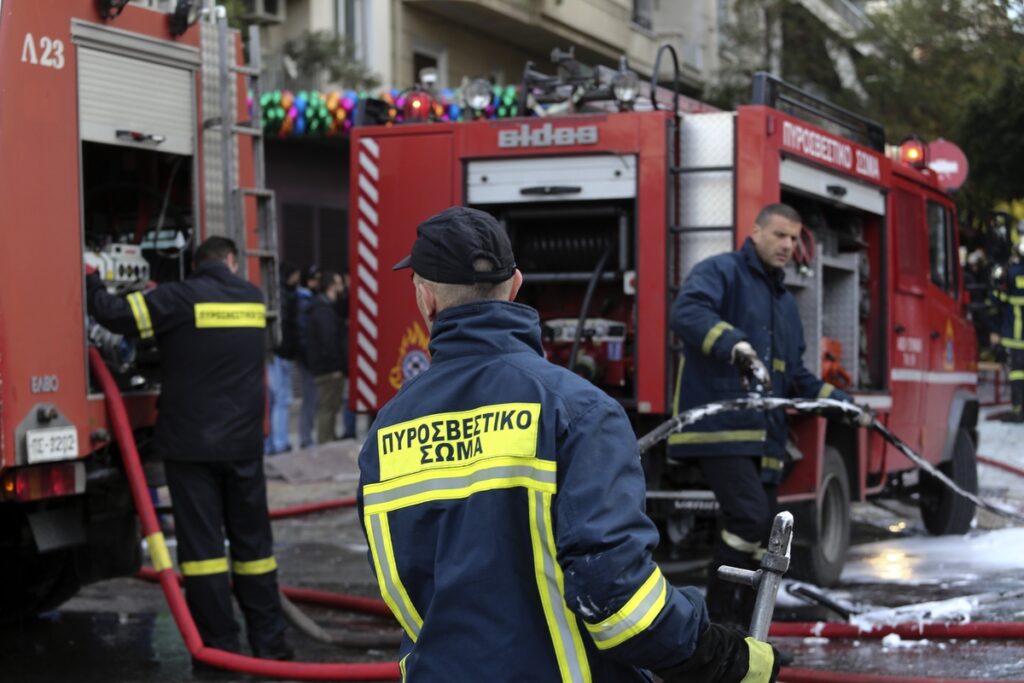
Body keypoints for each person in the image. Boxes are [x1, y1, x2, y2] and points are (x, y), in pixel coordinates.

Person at [357, 206, 779, 682]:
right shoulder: (577, 409)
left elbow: (406, 589)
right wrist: (727, 659)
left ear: (425, 298)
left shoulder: (386, 432)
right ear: (515, 285)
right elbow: (621, 607)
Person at [86, 236, 291, 662]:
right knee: (254, 549)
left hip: (192, 448)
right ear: (231, 262)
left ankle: (219, 650)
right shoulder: (251, 297)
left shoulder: (177, 299)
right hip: (243, 446)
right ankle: (271, 647)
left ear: (195, 264)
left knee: (203, 555)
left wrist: (90, 279)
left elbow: (113, 315)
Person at [668, 203, 862, 629]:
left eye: (794, 238)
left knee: (769, 535)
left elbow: (794, 377)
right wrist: (734, 346)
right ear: (755, 232)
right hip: (721, 427)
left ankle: (748, 636)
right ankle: (720, 630)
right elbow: (687, 313)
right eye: (779, 235)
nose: (788, 246)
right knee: (748, 518)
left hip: (766, 437)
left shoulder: (784, 304)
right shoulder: (721, 272)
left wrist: (841, 400)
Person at [265, 262, 302, 454]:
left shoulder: (279, 293)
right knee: (281, 399)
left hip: (275, 353)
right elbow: (289, 327)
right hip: (281, 354)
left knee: (273, 400)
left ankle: (271, 443)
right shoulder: (286, 296)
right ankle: (280, 443)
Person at [307, 269, 346, 443]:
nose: (342, 287)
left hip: (328, 366)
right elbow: (328, 340)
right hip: (329, 368)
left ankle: (329, 439)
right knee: (327, 406)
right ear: (331, 286)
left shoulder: (323, 308)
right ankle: (325, 442)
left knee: (332, 406)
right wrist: (336, 366)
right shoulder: (323, 311)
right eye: (338, 283)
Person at [992, 240, 1024, 422]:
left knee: (1017, 372)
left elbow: (999, 299)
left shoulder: (1010, 273)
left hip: (1015, 335)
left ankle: (1017, 409)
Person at [295, 266, 321, 448]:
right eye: (315, 279)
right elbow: (304, 334)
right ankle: (305, 439)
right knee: (310, 399)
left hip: (308, 357)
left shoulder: (308, 300)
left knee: (312, 399)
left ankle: (307, 437)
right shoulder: (305, 302)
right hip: (307, 359)